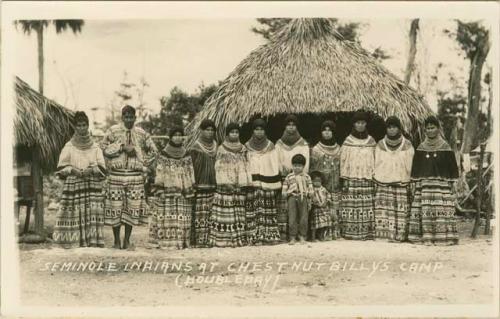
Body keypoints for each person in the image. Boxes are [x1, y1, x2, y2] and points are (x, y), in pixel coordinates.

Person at [101, 105, 157, 249]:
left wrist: (142, 161)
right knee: (116, 209)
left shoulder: (141, 133)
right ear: (122, 117)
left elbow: (154, 151)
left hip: (135, 177)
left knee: (131, 209)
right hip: (116, 176)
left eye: (131, 117)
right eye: (126, 117)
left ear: (135, 118)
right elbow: (103, 148)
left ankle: (127, 240)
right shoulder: (113, 131)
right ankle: (116, 241)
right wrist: (121, 148)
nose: (129, 119)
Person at [53, 111, 107, 248]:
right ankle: (74, 240)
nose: (82, 128)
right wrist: (72, 169)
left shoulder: (95, 147)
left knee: (91, 212)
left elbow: (102, 167)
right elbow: (60, 167)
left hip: (92, 184)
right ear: (75, 127)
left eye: (84, 125)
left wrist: (92, 169)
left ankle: (92, 240)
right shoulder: (69, 146)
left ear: (88, 126)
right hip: (74, 184)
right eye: (79, 125)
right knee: (75, 212)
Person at [408, 116, 459, 245]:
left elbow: (452, 167)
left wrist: (451, 182)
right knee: (425, 211)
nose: (430, 130)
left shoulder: (445, 147)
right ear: (425, 130)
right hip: (424, 186)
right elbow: (416, 167)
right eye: (428, 128)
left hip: (441, 186)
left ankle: (442, 237)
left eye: (433, 128)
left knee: (441, 210)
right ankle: (426, 237)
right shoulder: (421, 147)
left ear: (438, 129)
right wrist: (415, 182)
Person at [148, 127, 195, 249]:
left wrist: (189, 188)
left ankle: (181, 241)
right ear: (171, 137)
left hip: (182, 191)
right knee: (168, 215)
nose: (178, 137)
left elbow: (190, 171)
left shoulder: (186, 153)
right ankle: (167, 242)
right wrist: (160, 189)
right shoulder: (164, 153)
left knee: (182, 216)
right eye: (175, 135)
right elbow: (160, 172)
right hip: (168, 190)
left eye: (180, 135)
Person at [209, 123, 253, 247]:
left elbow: (247, 165)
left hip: (239, 185)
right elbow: (218, 167)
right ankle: (223, 239)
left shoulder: (243, 149)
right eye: (232, 132)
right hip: (225, 185)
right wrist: (225, 182)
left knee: (238, 212)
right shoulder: (222, 149)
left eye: (236, 132)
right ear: (227, 134)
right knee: (225, 213)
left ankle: (237, 238)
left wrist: (244, 182)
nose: (234, 134)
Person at [373, 116, 414, 242]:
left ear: (399, 128)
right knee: (384, 209)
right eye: (389, 127)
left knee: (400, 209)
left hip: (400, 183)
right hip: (384, 183)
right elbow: (376, 162)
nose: (391, 130)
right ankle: (384, 235)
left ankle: (400, 235)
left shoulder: (407, 145)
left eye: (394, 127)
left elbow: (410, 164)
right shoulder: (380, 144)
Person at [339, 110, 376, 240]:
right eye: (358, 123)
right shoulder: (348, 141)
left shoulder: (371, 141)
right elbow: (343, 161)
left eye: (363, 123)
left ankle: (366, 232)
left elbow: (375, 160)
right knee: (352, 204)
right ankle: (351, 232)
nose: (360, 125)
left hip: (366, 179)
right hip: (352, 179)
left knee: (366, 205)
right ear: (354, 124)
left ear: (366, 124)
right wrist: (344, 177)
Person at [245, 118, 281, 245]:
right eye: (256, 129)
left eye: (261, 129)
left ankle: (268, 236)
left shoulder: (270, 146)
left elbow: (275, 164)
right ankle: (254, 237)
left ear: (265, 131)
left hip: (267, 183)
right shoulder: (247, 147)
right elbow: (246, 165)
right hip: (253, 185)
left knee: (267, 209)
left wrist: (273, 180)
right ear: (253, 131)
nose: (259, 132)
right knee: (254, 210)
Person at [275, 114, 310, 241]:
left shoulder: (303, 143)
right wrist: (283, 171)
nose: (291, 127)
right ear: (285, 127)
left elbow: (305, 164)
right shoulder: (279, 143)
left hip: (300, 181)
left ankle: (302, 235)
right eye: (288, 125)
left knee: (302, 213)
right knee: (289, 212)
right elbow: (277, 161)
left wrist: (301, 175)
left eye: (293, 125)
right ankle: (288, 236)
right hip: (286, 179)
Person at [310, 120, 341, 240]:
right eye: (325, 130)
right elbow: (313, 168)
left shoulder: (338, 148)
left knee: (334, 208)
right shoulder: (316, 149)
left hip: (335, 183)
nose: (327, 133)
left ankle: (333, 233)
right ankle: (320, 233)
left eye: (330, 130)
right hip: (321, 186)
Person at [189, 119, 218, 247]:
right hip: (200, 185)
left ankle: (210, 239)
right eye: (207, 130)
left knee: (212, 213)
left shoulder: (216, 145)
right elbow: (192, 166)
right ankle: (198, 240)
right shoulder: (196, 146)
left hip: (214, 185)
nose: (209, 132)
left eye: (212, 130)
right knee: (200, 213)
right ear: (201, 130)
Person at [282, 154, 314, 245]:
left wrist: (311, 192)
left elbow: (310, 186)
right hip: (292, 197)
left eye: (299, 166)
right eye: (295, 165)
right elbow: (285, 185)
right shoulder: (289, 176)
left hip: (303, 197)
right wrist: (284, 192)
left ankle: (302, 236)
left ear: (303, 166)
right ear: (292, 165)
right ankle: (292, 237)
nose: (297, 168)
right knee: (292, 217)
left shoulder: (307, 177)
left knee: (304, 217)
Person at [309, 171, 333, 241]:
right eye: (315, 181)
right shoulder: (311, 189)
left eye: (319, 181)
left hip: (324, 208)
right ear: (312, 181)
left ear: (322, 181)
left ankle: (321, 235)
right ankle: (313, 237)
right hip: (316, 209)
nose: (317, 183)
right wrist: (314, 203)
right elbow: (310, 197)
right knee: (315, 223)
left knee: (323, 223)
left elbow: (328, 195)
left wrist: (326, 202)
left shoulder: (323, 189)